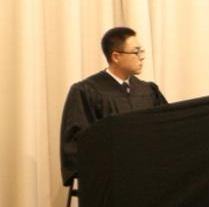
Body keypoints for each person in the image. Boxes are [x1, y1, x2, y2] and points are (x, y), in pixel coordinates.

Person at [60, 27, 168, 186]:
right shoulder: (86, 91)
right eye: (136, 52)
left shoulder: (148, 90)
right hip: (109, 179)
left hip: (150, 174)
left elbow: (166, 128)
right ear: (116, 56)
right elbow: (77, 141)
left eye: (141, 51)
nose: (142, 57)